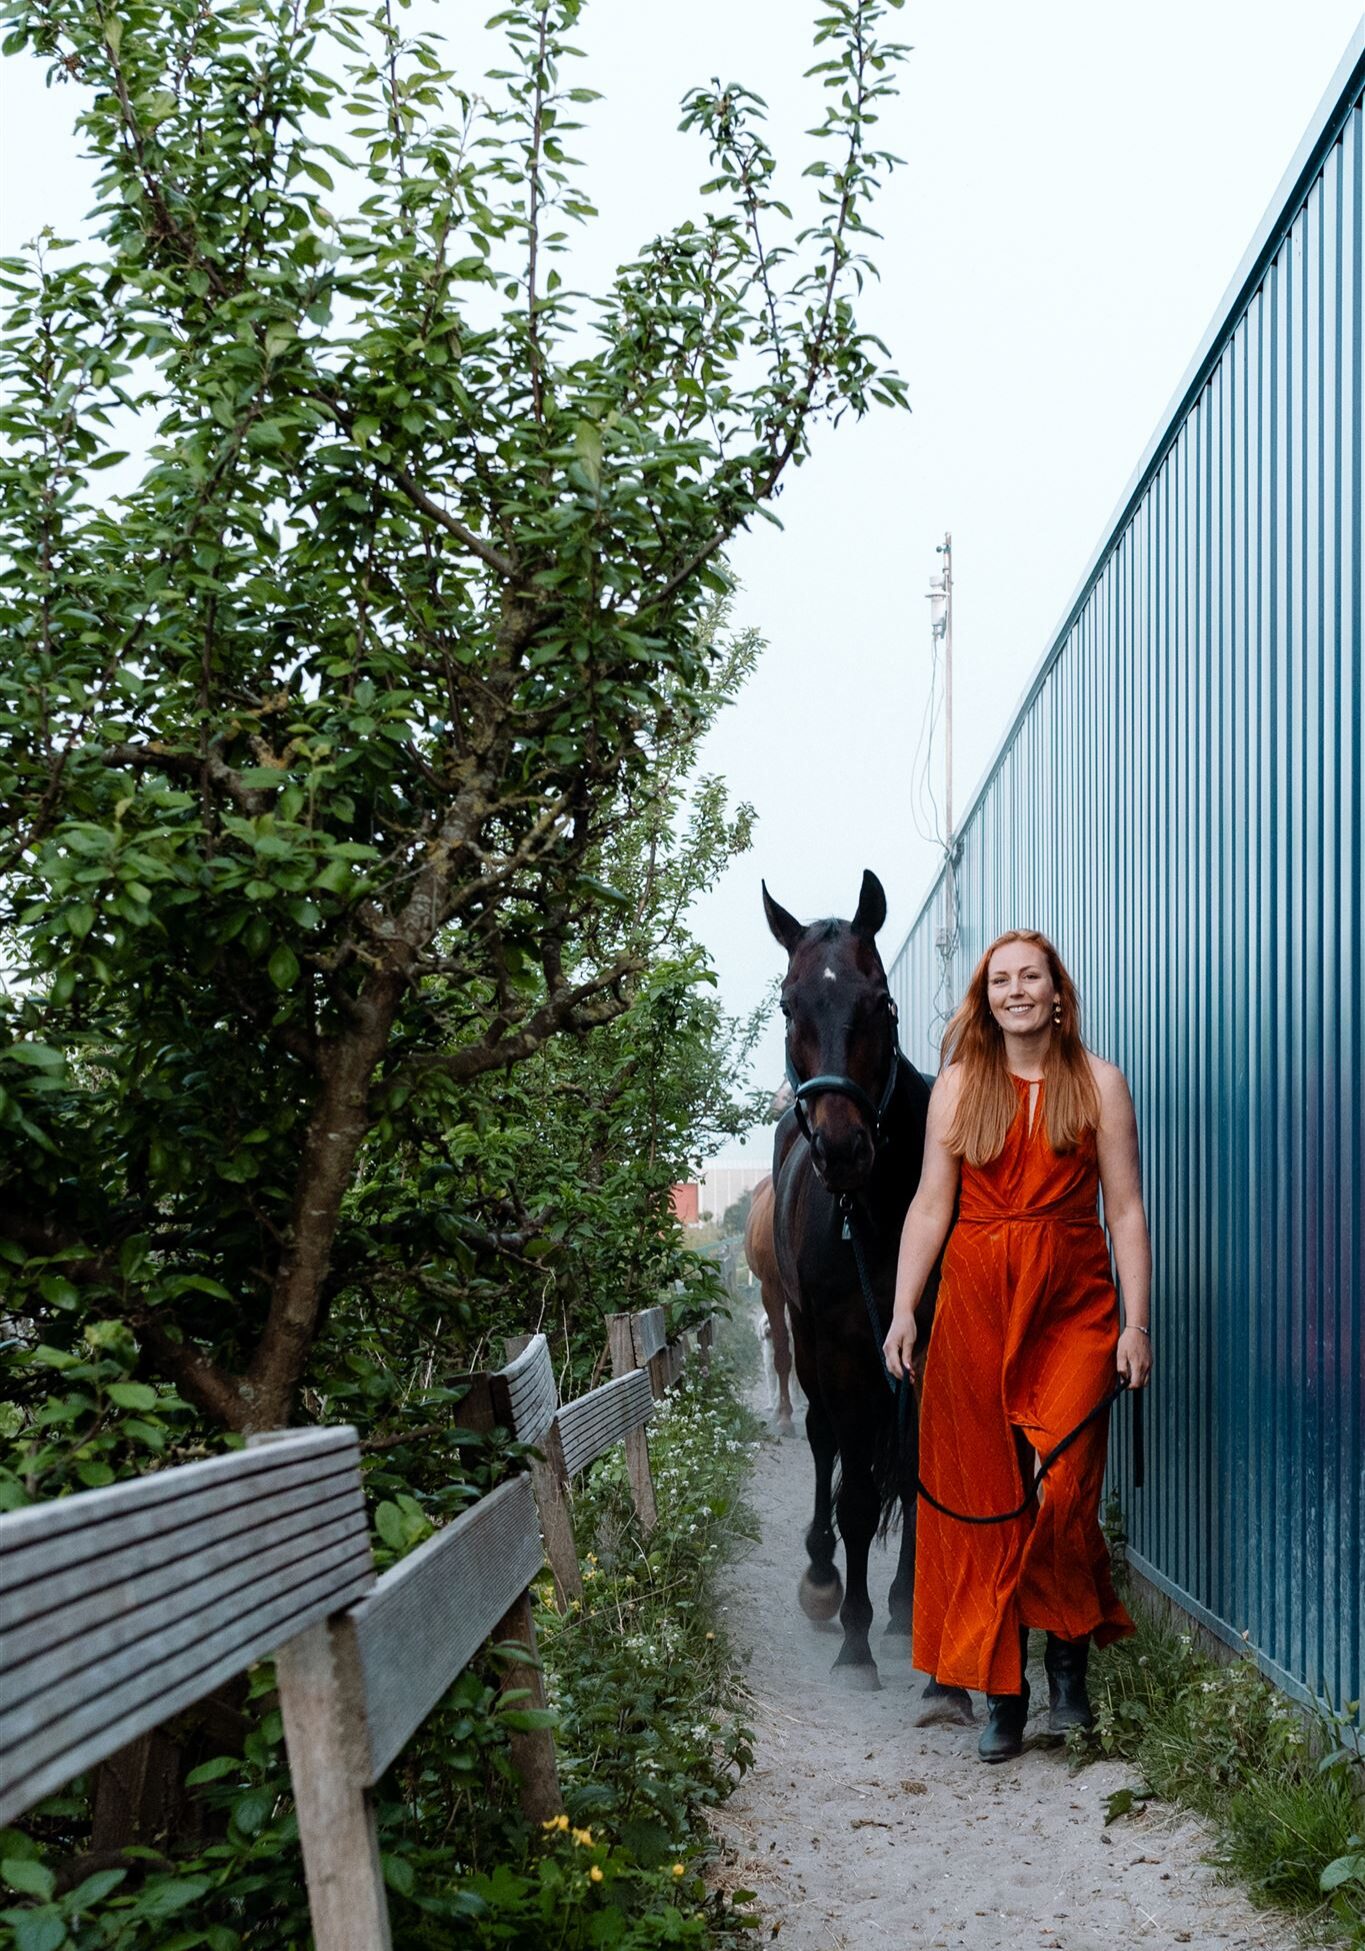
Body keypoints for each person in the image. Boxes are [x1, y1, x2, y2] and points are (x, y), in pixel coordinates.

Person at [883, 929, 1152, 1762]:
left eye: (1029, 976)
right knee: (984, 1499)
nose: (1015, 990)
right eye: (999, 979)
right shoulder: (960, 1085)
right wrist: (903, 1311)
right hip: (972, 1303)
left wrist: (1135, 1323)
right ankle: (1007, 1690)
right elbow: (931, 1205)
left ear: (1055, 990)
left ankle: (1067, 1666)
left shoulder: (1099, 1082)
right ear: (984, 997)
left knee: (1063, 1483)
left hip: (1071, 1301)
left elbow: (1126, 1212)